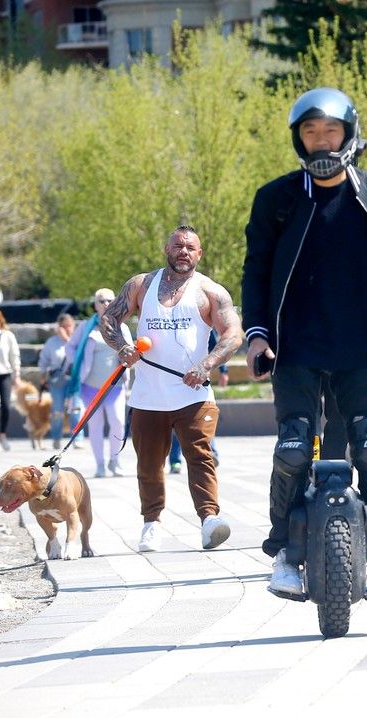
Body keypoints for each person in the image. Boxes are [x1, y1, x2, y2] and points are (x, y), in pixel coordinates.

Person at [242, 88, 367, 598]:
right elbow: (255, 272)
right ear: (298, 138)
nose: (321, 141)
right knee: (294, 446)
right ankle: (282, 554)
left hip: (359, 346)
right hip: (293, 347)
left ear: (349, 133)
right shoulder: (275, 198)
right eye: (310, 132)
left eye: (331, 131)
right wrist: (256, 335)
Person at [101, 226, 242, 552]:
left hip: (194, 394)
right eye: (178, 245)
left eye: (190, 247)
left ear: (199, 253)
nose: (184, 251)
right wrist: (122, 347)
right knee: (148, 465)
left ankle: (209, 520)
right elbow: (110, 320)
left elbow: (233, 334)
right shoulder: (141, 285)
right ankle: (151, 523)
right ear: (166, 248)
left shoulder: (211, 291)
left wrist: (206, 364)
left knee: (200, 457)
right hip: (149, 396)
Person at [66, 289, 132, 477]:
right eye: (101, 301)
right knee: (95, 425)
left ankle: (114, 460)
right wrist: (77, 363)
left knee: (118, 422)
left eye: (110, 300)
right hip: (90, 386)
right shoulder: (86, 327)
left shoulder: (122, 327)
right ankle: (100, 465)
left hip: (115, 385)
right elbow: (71, 347)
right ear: (95, 304)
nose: (105, 304)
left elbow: (129, 351)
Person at [168, 330, 228, 474]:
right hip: (174, 380)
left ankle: (211, 453)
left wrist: (223, 371)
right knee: (177, 421)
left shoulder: (203, 318)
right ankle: (175, 461)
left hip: (199, 378)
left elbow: (216, 346)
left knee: (204, 418)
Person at [38, 313, 75, 450]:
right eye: (63, 326)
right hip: (57, 381)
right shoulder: (52, 342)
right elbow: (43, 361)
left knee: (75, 408)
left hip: (74, 380)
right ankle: (57, 438)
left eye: (69, 326)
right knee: (58, 411)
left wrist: (67, 339)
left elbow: (79, 357)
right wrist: (43, 377)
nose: (66, 329)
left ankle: (77, 438)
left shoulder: (76, 341)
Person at [0, 307, 22, 452]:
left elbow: (14, 355)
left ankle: (3, 434)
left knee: (6, 406)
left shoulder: (7, 335)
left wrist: (17, 374)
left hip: (4, 374)